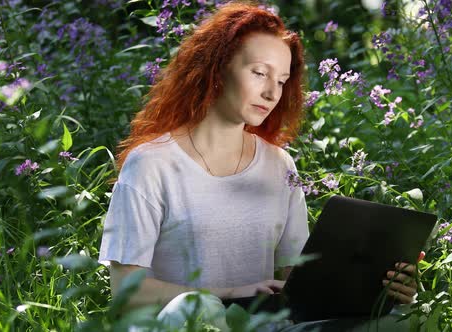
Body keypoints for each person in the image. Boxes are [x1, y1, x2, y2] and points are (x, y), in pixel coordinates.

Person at [98, 1, 421, 331]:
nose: (271, 92)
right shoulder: (151, 164)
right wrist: (229, 294)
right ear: (217, 67)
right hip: (180, 323)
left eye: (281, 81)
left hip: (265, 326)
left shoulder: (279, 164)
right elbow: (127, 291)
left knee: (404, 320)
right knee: (197, 308)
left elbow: (300, 284)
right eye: (259, 73)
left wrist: (380, 290)